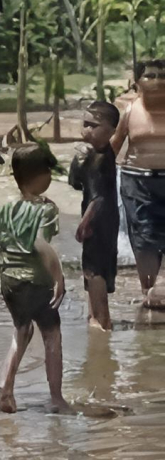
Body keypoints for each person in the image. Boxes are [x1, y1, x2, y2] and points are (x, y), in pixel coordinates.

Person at [0, 144, 69, 415]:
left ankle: (5, 387)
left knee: (21, 331)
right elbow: (40, 243)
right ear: (41, 175)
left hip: (9, 281)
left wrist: (4, 268)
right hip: (36, 282)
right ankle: (56, 397)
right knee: (52, 335)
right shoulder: (46, 210)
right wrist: (58, 276)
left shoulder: (3, 209)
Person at [112, 60, 165, 304]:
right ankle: (148, 291)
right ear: (137, 84)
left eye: (162, 76)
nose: (157, 81)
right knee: (144, 237)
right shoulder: (129, 111)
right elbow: (112, 147)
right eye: (150, 76)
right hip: (137, 183)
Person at [68, 102, 121, 331]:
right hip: (101, 214)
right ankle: (95, 316)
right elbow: (76, 183)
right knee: (92, 265)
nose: (87, 130)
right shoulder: (96, 153)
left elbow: (98, 197)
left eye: (94, 126)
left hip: (99, 217)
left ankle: (101, 318)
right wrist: (77, 161)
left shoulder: (102, 158)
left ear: (111, 130)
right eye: (85, 124)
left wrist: (85, 222)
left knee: (94, 268)